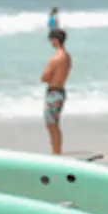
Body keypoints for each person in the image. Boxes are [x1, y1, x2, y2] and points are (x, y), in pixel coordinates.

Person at [41, 27, 72, 155]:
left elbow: (44, 77)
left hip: (53, 91)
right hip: (61, 90)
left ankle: (56, 151)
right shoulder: (67, 57)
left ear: (55, 41)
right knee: (54, 124)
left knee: (51, 124)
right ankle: (56, 150)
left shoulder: (55, 59)